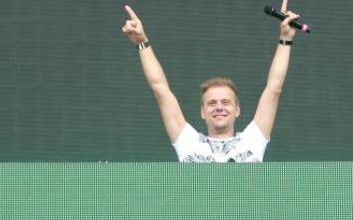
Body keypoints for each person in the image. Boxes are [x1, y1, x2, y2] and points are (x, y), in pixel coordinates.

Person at [121, 1, 300, 162]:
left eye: (225, 102)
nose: (219, 107)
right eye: (212, 103)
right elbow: (160, 90)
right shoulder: (188, 142)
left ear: (237, 110)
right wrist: (142, 42)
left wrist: (286, 38)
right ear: (202, 112)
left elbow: (274, 88)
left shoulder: (253, 139)